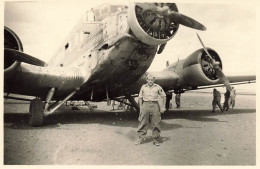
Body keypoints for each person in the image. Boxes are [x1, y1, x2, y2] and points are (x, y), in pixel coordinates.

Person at [135, 74, 166, 146]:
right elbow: (140, 97)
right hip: (145, 105)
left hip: (155, 105)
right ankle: (140, 139)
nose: (150, 81)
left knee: (156, 122)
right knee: (143, 122)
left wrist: (163, 107)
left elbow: (164, 96)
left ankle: (155, 139)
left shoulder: (158, 87)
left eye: (152, 80)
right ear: (147, 80)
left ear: (153, 80)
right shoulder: (143, 87)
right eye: (149, 80)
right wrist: (141, 108)